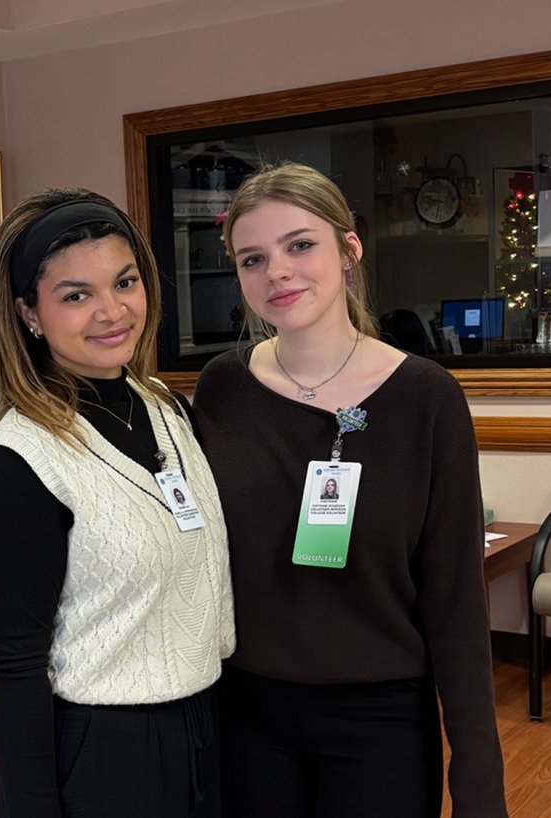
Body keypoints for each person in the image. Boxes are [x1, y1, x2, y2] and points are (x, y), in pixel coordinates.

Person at [194, 162, 506, 817]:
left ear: (349, 250)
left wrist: (479, 784)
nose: (277, 271)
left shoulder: (425, 398)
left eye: (300, 245)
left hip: (382, 720)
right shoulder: (221, 390)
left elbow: (454, 598)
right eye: (253, 258)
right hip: (247, 714)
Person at [0, 187, 234, 818]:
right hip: (101, 752)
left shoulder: (167, 409)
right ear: (30, 313)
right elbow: (13, 667)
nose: (112, 311)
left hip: (202, 722)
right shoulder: (23, 460)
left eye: (125, 282)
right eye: (76, 295)